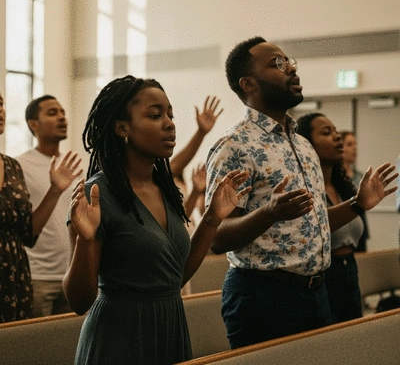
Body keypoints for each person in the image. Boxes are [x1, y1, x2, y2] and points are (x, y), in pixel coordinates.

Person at [205, 36, 398, 349]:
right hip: (263, 295)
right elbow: (217, 236)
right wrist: (268, 214)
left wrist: (358, 204)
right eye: (278, 64)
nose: (291, 69)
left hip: (316, 292)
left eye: (289, 61)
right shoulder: (235, 146)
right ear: (248, 84)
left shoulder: (302, 145)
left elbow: (314, 222)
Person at [62, 76, 251, 365]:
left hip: (169, 327)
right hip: (119, 337)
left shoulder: (166, 190)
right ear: (121, 127)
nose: (169, 123)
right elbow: (79, 301)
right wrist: (86, 241)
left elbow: (174, 277)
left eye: (170, 114)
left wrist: (212, 217)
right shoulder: (97, 193)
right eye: (154, 115)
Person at [0, 91, 82, 323]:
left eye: (63, 112)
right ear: (33, 124)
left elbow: (30, 231)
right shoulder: (22, 164)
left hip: (52, 274)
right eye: (52, 113)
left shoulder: (71, 165)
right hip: (37, 275)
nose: (62, 117)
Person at [297, 113, 365, 323]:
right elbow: (313, 227)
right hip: (323, 276)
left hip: (349, 270)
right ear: (307, 144)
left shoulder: (343, 188)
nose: (337, 137)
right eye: (327, 133)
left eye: (336, 131)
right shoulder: (303, 189)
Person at [170, 95, 223, 229]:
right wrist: (201, 133)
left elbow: (183, 217)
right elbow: (171, 169)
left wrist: (195, 191)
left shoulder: (179, 183)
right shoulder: (156, 178)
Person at [340, 130, 370, 251]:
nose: (354, 148)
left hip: (360, 226)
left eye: (355, 144)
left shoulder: (360, 177)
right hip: (344, 230)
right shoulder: (336, 177)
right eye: (349, 144)